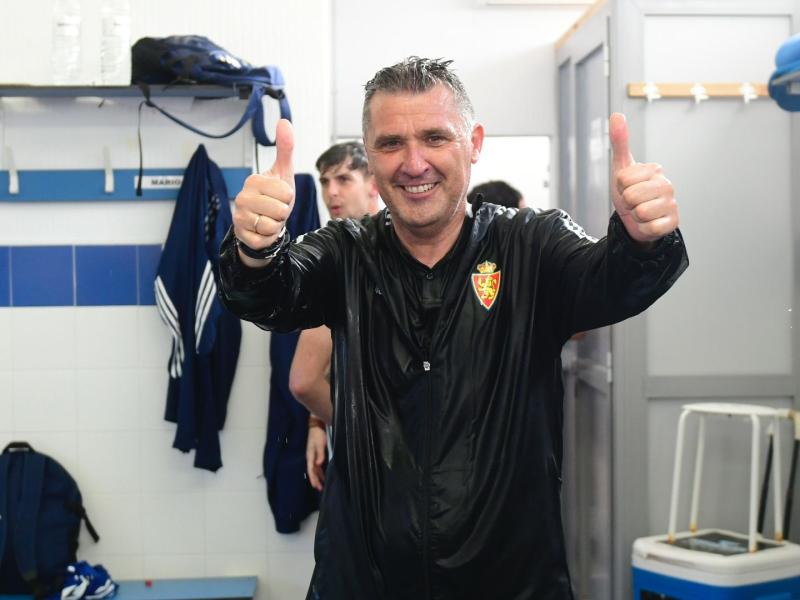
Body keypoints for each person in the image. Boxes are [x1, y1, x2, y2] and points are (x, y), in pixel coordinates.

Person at [219, 57, 688, 599]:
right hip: (363, 580)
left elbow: (612, 283)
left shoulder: (531, 245)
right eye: (391, 143)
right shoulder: (346, 253)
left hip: (512, 581)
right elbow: (268, 294)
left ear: (474, 142)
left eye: (435, 137)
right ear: (370, 157)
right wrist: (255, 250)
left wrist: (643, 238)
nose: (414, 163)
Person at [289, 141, 379, 491]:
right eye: (325, 182)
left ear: (374, 182)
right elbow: (305, 379)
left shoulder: (363, 252)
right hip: (374, 452)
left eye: (343, 179)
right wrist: (321, 423)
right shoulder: (336, 257)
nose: (331, 192)